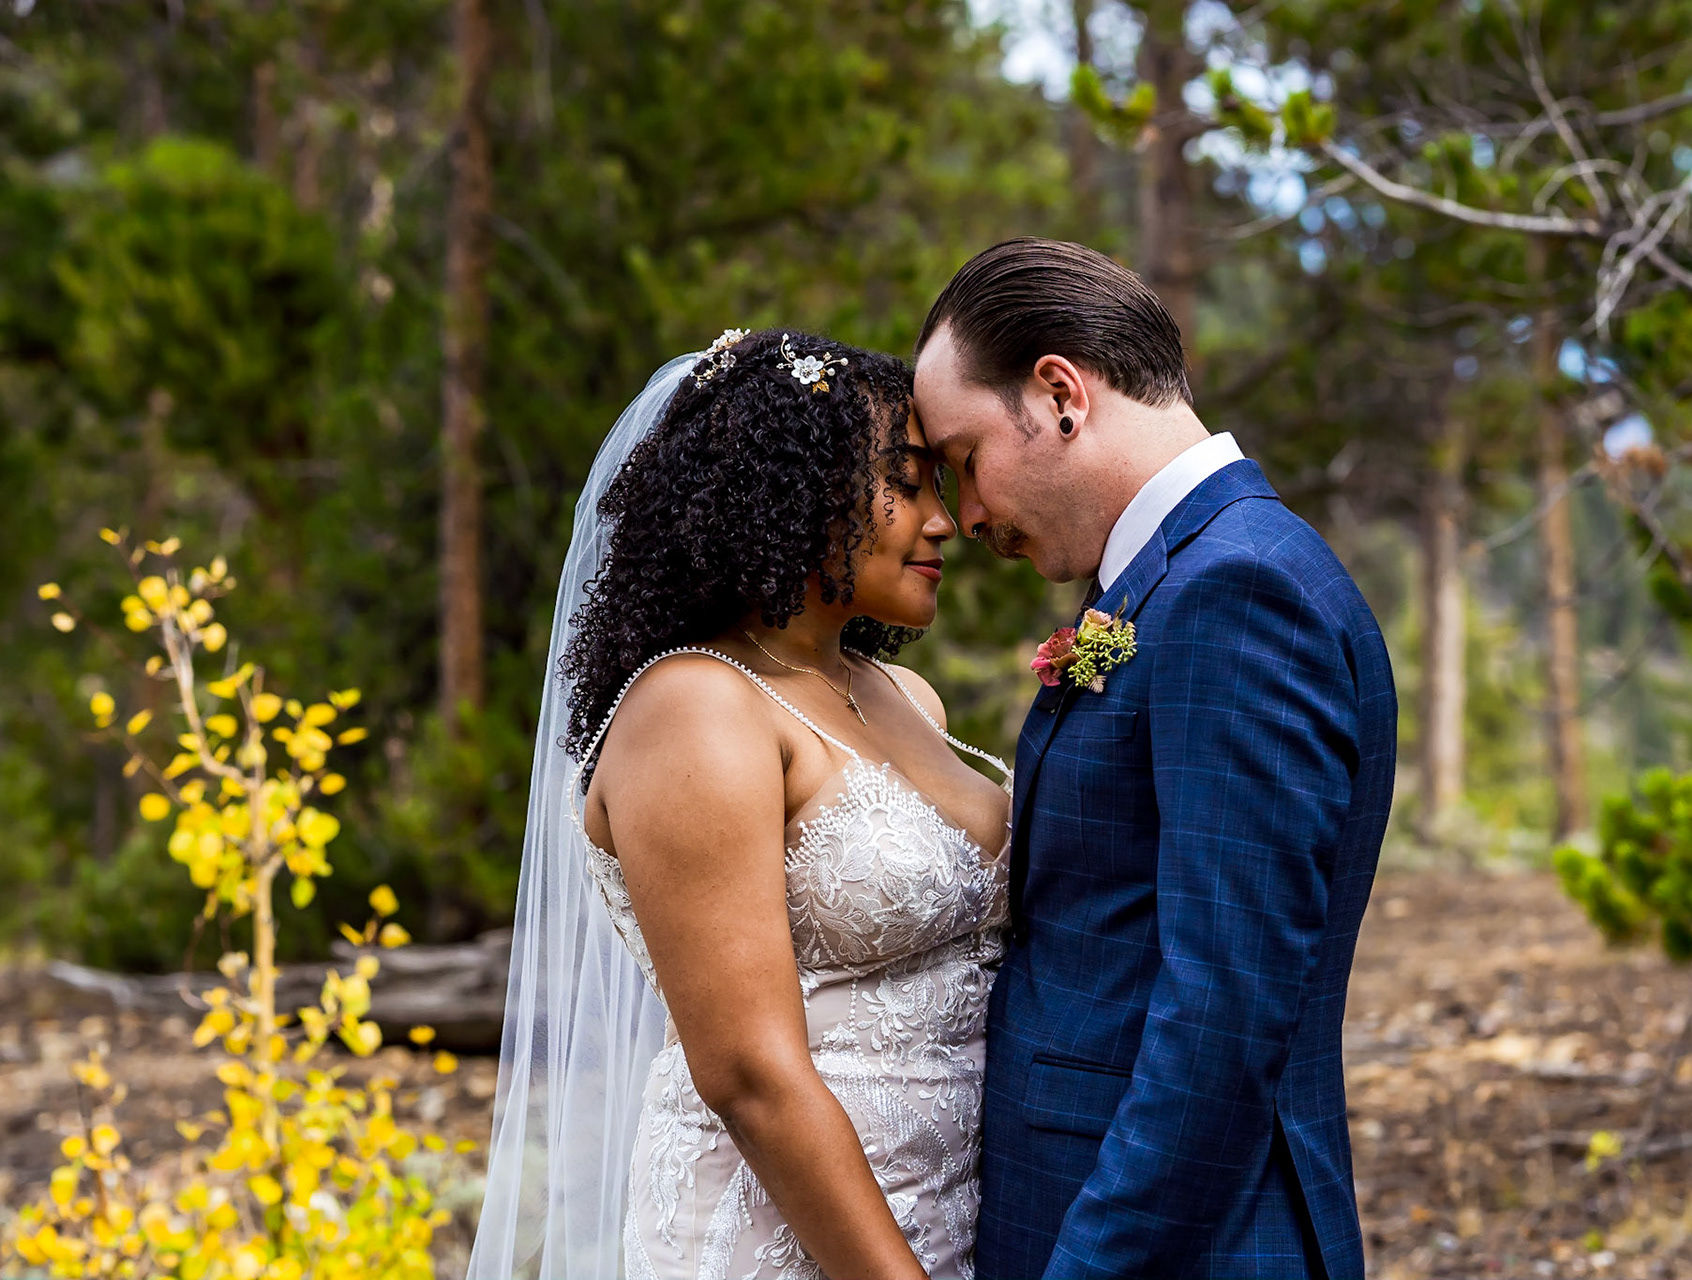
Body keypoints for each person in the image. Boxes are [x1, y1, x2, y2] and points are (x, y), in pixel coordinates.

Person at [468, 329, 1012, 1280]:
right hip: (794, 1241)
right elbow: (748, 1074)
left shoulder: (901, 696)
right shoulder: (695, 708)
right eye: (909, 481)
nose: (947, 520)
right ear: (793, 490)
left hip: (963, 1216)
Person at [911, 238, 1398, 1280]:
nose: (964, 515)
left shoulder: (1236, 594)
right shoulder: (1172, 583)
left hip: (1182, 1243)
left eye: (962, 457)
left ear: (1059, 394)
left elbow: (1221, 1013)